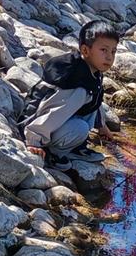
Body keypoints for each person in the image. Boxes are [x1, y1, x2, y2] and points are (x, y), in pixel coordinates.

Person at [23, 20, 120, 166]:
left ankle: (74, 146)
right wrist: (34, 140)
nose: (109, 57)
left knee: (90, 100)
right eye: (104, 50)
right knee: (80, 128)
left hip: (58, 120)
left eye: (113, 51)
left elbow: (96, 100)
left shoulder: (93, 70)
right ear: (85, 51)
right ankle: (54, 154)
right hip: (38, 122)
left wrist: (101, 126)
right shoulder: (75, 82)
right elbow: (55, 112)